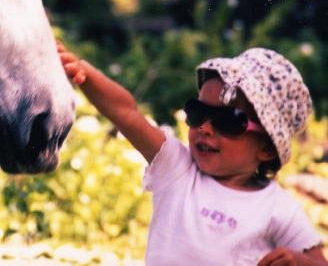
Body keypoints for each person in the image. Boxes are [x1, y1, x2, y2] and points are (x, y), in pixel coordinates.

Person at [58, 44, 327, 265]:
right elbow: (127, 113)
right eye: (198, 113)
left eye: (228, 121)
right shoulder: (177, 167)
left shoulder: (277, 209)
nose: (205, 128)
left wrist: (297, 261)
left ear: (267, 148)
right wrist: (85, 74)